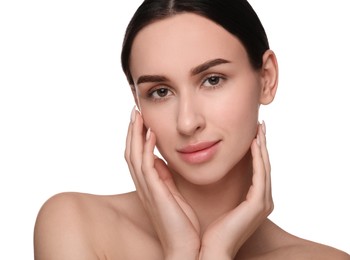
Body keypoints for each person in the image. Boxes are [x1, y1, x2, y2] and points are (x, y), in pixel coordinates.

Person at [33, 0, 350, 259]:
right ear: (137, 101)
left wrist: (217, 251)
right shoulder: (75, 224)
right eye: (160, 91)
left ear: (266, 78)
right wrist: (181, 250)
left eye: (212, 80)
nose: (187, 122)